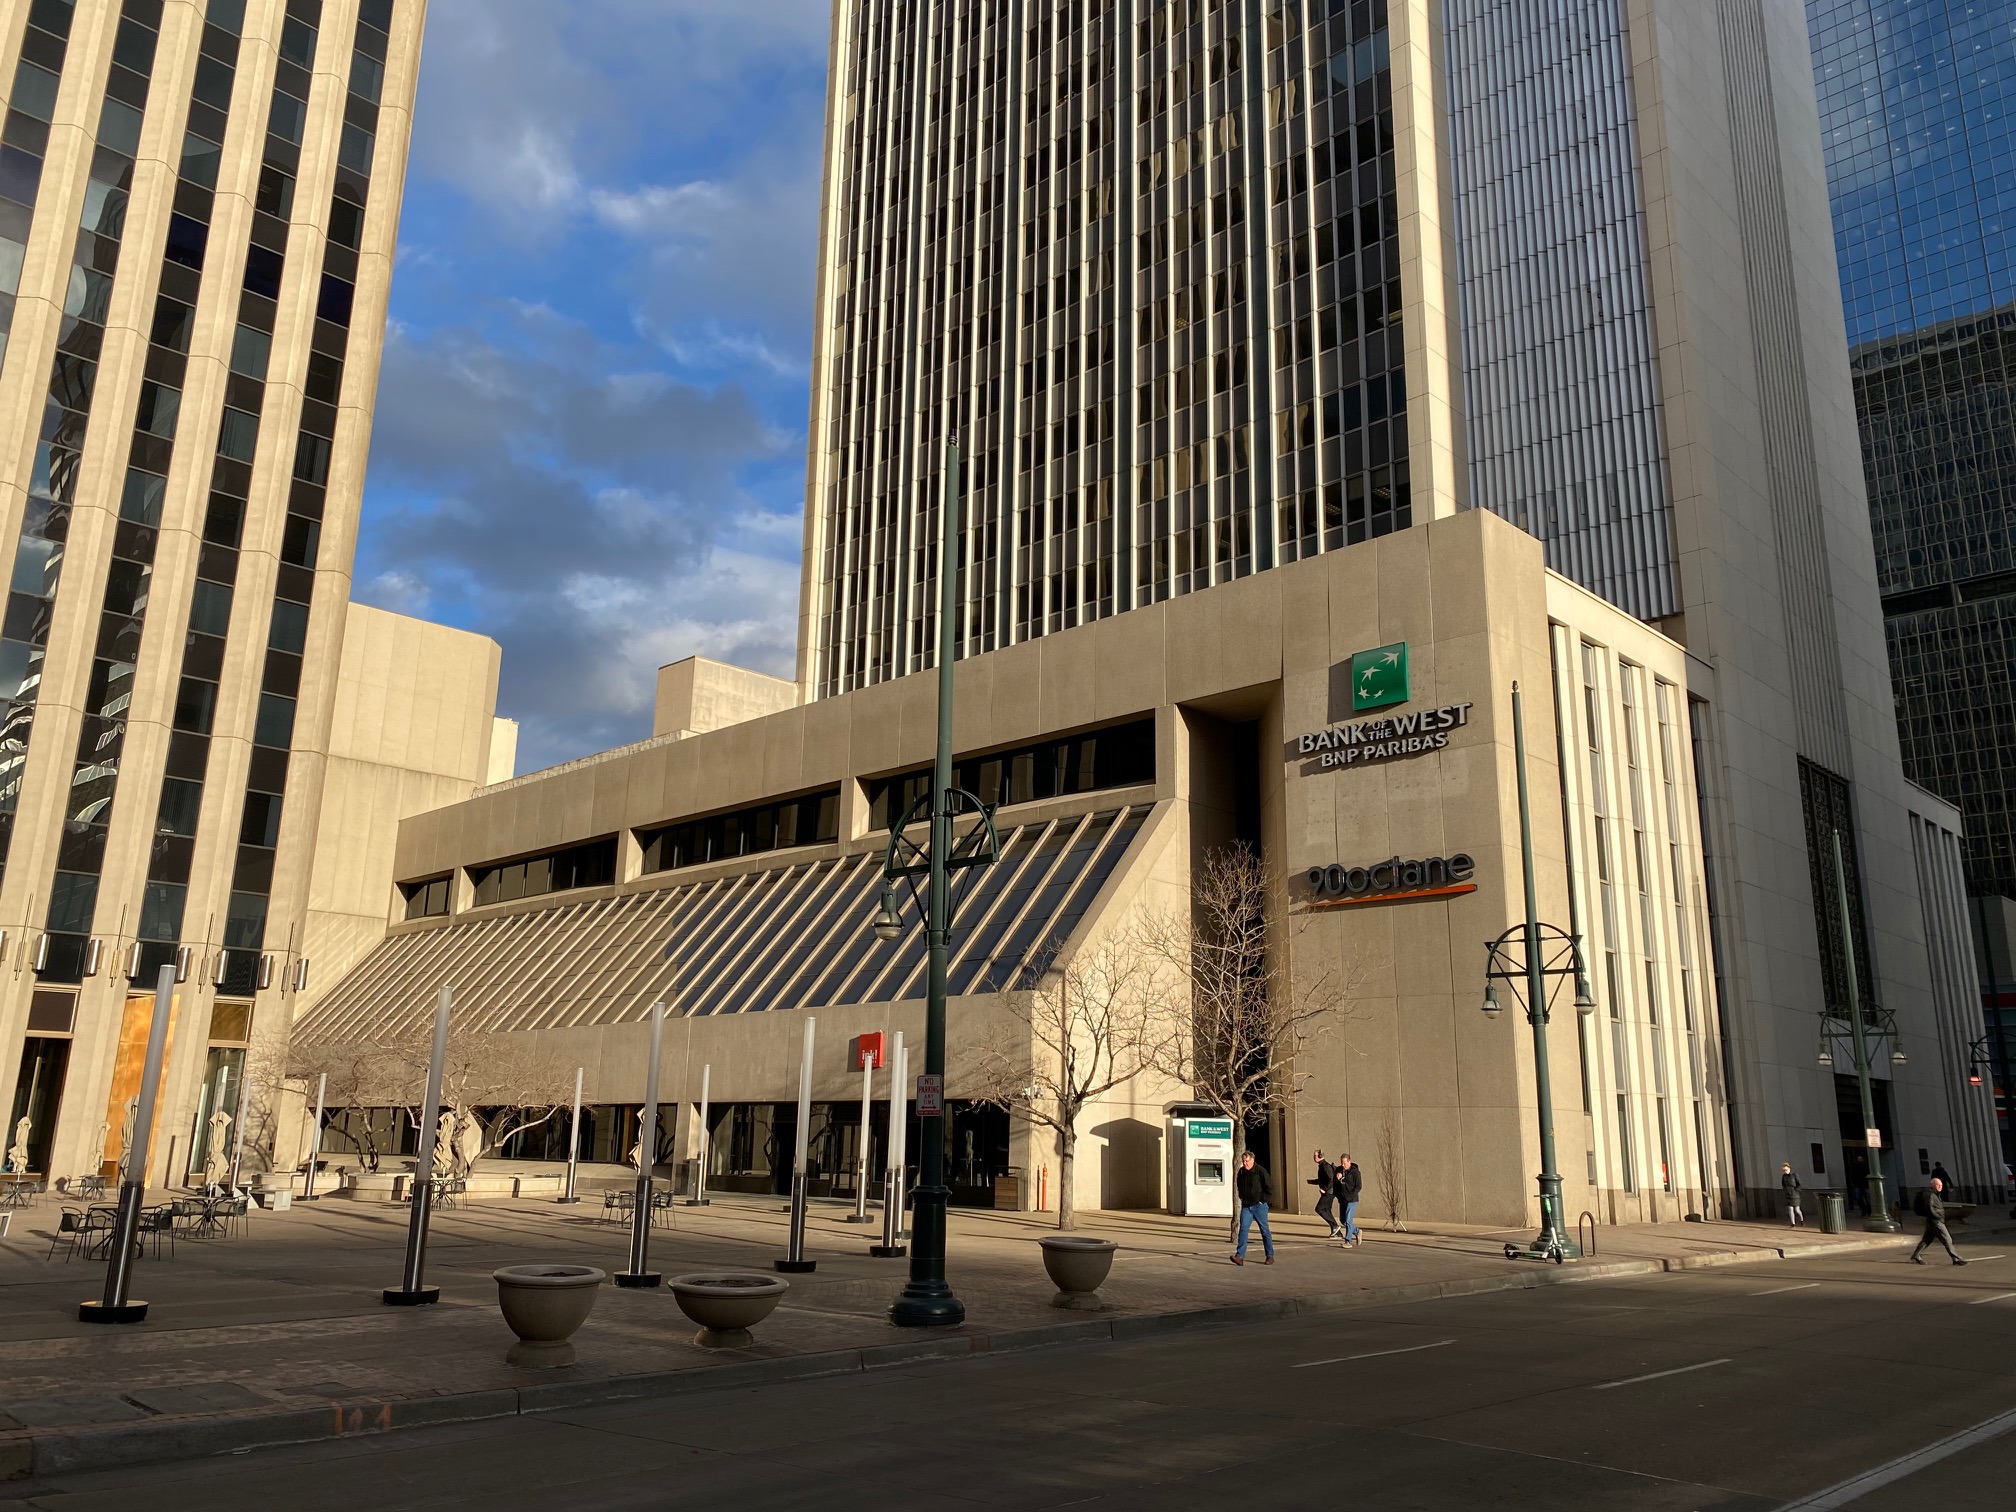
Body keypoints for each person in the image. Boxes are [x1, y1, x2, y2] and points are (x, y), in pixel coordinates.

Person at [1911, 1176, 1968, 1266]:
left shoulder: (1935, 1194)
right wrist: (1937, 1216)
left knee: (1927, 1240)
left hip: (1933, 1221)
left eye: (1941, 1185)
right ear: (1933, 1185)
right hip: (1936, 1221)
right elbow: (1929, 1208)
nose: (1940, 1187)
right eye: (1938, 1185)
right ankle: (1955, 1259)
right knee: (1947, 1239)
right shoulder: (1930, 1195)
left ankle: (1916, 1255)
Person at [1231, 1151, 1275, 1265]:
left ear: (1252, 1160)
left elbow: (1269, 1188)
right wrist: (1242, 1196)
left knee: (1264, 1230)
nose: (1245, 1163)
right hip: (1246, 1206)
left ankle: (1270, 1255)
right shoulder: (1241, 1172)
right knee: (1243, 1230)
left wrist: (1262, 1200)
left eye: (1247, 1161)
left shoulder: (1260, 1171)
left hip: (1259, 1207)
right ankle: (1239, 1256)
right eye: (1243, 1161)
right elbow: (1239, 1185)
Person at [1310, 1150, 1341, 1238]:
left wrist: (1324, 1189)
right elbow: (1323, 1179)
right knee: (1327, 1210)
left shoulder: (1325, 1166)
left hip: (1329, 1193)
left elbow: (1331, 1179)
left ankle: (1335, 1226)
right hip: (1329, 1192)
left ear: (1320, 1156)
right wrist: (1312, 1182)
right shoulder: (1322, 1166)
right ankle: (1337, 1233)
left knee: (1319, 1209)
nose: (1314, 1158)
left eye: (1315, 1156)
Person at [1335, 1154, 1363, 1247]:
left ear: (1349, 1161)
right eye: (1341, 1163)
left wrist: (1352, 1194)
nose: (1343, 1165)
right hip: (1342, 1199)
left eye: (1344, 1163)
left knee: (1348, 1220)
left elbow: (1358, 1186)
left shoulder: (1355, 1173)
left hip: (1351, 1199)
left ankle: (1348, 1241)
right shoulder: (1339, 1170)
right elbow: (1335, 1182)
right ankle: (1357, 1231)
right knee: (1343, 1220)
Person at [1780, 1162, 1804, 1227]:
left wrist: (1796, 1191)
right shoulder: (1784, 1176)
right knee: (1790, 1209)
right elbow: (1783, 1185)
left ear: (1789, 1169)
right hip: (1788, 1195)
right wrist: (1785, 1191)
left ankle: (1801, 1220)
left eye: (1786, 1170)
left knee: (1797, 1210)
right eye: (1783, 1170)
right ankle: (1793, 1223)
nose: (1785, 1171)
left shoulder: (1794, 1175)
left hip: (1795, 1195)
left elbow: (1799, 1184)